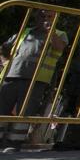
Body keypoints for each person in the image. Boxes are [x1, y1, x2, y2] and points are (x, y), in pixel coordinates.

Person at [0, 10, 68, 151]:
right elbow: (4, 48)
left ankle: (13, 144)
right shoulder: (25, 32)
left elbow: (59, 47)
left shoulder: (59, 34)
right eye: (42, 16)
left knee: (24, 113)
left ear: (55, 18)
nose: (45, 19)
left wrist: (50, 31)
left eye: (49, 16)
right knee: (2, 110)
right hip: (11, 76)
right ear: (36, 17)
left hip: (36, 80)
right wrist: (6, 63)